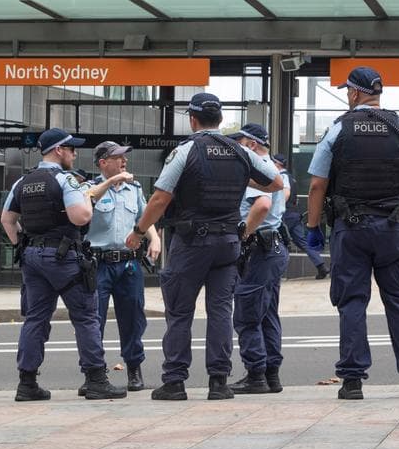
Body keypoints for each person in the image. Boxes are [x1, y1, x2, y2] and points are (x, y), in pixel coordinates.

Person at [124, 93, 282, 401]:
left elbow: (160, 198)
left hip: (191, 242)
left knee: (180, 312)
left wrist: (139, 231)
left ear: (192, 119)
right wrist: (241, 180)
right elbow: (275, 182)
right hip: (228, 243)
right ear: (220, 120)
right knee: (221, 311)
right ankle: (219, 382)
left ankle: (174, 381)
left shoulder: (185, 151)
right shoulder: (240, 152)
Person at [305, 66, 399, 401]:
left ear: (355, 92)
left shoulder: (338, 130)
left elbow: (318, 184)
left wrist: (313, 226)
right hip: (393, 230)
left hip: (351, 229)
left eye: (347, 90)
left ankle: (352, 381)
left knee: (352, 302)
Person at [1, 128, 127, 402]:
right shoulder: (66, 180)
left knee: (35, 318)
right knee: (85, 317)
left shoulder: (22, 181)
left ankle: (27, 383)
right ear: (58, 150)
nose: (74, 153)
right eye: (71, 149)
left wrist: (22, 245)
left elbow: (7, 220)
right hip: (64, 258)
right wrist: (87, 200)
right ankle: (96, 379)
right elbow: (81, 217)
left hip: (32, 258)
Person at [82, 140, 161, 393]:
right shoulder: (90, 188)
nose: (124, 161)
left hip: (127, 263)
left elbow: (143, 217)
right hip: (98, 263)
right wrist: (110, 183)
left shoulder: (133, 188)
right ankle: (93, 373)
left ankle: (134, 368)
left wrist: (154, 238)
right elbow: (85, 203)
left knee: (133, 318)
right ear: (103, 163)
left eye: (125, 157)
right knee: (94, 320)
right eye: (117, 157)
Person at [228, 124, 289, 395]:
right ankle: (271, 374)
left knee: (247, 315)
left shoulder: (258, 167)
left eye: (240, 142)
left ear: (251, 144)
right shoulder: (274, 169)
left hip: (259, 249)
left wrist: (244, 235)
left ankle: (256, 375)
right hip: (273, 247)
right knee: (267, 314)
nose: (237, 148)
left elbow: (262, 205)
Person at [275, 153, 330, 279]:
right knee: (303, 242)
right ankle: (321, 266)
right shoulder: (290, 177)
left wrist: (277, 209)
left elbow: (286, 194)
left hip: (286, 215)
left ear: (278, 164)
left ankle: (277, 273)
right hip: (294, 214)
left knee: (279, 242)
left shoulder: (282, 177)